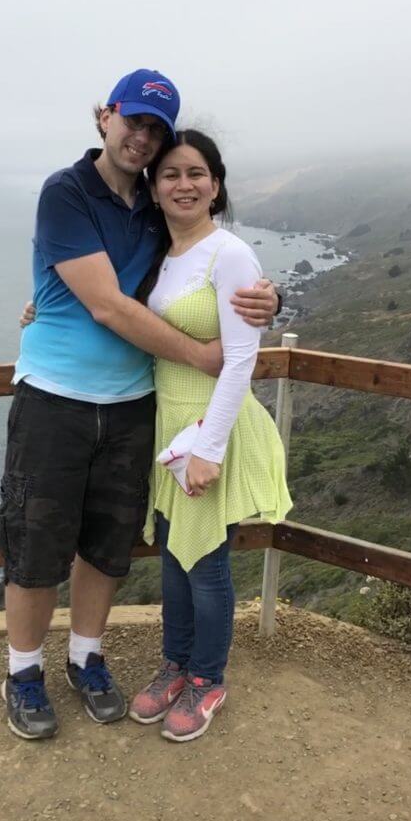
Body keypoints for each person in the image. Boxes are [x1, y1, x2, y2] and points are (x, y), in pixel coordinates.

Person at [0, 69, 279, 740]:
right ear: (105, 117)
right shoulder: (66, 193)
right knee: (37, 546)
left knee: (107, 547)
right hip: (55, 402)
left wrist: (270, 303)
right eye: (135, 122)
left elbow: (207, 267)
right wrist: (201, 354)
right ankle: (24, 672)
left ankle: (87, 659)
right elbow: (105, 302)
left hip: (134, 409)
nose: (143, 137)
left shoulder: (155, 211)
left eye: (157, 129)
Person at [128, 129, 292, 742]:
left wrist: (209, 448)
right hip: (170, 423)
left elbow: (241, 358)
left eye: (196, 173)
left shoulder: (231, 254)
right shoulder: (158, 256)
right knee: (173, 554)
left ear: (216, 185)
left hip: (210, 424)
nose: (184, 184)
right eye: (170, 174)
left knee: (206, 563)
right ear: (154, 187)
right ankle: (176, 663)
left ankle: (207, 678)